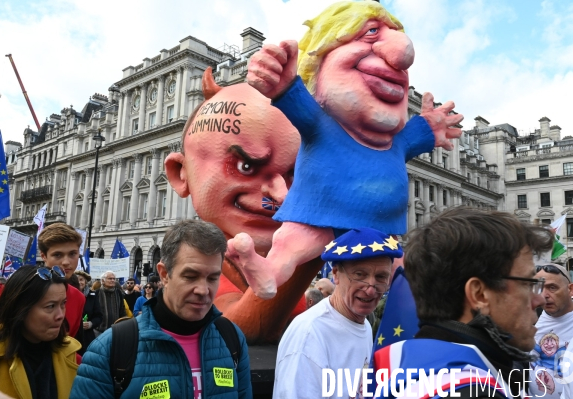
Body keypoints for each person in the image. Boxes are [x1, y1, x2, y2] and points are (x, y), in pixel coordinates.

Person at [228, 0, 464, 300]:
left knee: (397, 270)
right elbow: (295, 101)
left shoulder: (394, 141)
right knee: (290, 245)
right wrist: (284, 83)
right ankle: (267, 271)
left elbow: (415, 135)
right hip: (318, 217)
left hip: (380, 229)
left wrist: (432, 127)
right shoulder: (322, 125)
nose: (400, 54)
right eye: (372, 33)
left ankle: (412, 295)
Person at [165, 68, 322, 344]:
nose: (281, 195)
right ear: (181, 173)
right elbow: (242, 325)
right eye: (245, 166)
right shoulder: (206, 266)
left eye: (295, 174)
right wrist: (315, 236)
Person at [371, 207, 553, 397]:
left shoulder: (404, 366)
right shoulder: (474, 392)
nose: (540, 299)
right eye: (528, 283)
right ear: (479, 295)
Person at [70, 219, 252, 398]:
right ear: (164, 274)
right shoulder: (110, 348)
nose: (203, 290)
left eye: (212, 278)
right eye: (190, 276)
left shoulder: (232, 338)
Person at [274, 228, 401, 398]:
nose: (371, 289)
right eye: (360, 275)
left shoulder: (364, 326)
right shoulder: (310, 333)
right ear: (336, 274)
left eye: (380, 277)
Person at [0, 266, 81, 398]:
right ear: (21, 309)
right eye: (50, 306)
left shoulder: (70, 353)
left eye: (63, 304)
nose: (61, 315)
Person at [528, 263, 573, 398]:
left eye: (552, 288)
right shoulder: (530, 316)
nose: (544, 295)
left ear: (571, 289)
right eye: (539, 288)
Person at [38, 223, 86, 338]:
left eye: (72, 254)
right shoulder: (23, 289)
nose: (66, 262)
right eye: (58, 255)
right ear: (44, 256)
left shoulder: (79, 298)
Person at [74, 270, 102, 354]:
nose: (79, 282)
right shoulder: (66, 294)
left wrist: (91, 324)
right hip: (72, 335)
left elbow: (99, 316)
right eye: (76, 279)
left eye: (81, 279)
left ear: (85, 282)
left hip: (86, 336)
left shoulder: (92, 296)